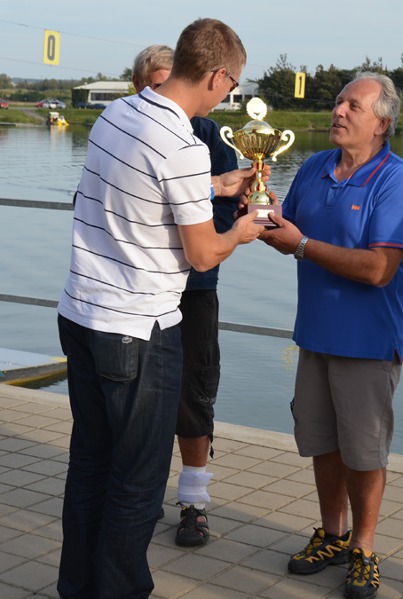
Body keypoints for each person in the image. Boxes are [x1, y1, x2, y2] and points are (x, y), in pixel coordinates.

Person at [56, 19, 264, 599]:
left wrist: (218, 186)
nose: (231, 94)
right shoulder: (182, 144)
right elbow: (202, 255)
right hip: (138, 331)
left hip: (80, 313)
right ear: (219, 74)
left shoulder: (118, 114)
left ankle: (78, 587)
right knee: (138, 481)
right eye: (233, 84)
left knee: (91, 465)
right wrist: (242, 230)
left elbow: (143, 190)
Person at [259, 72, 403, 599]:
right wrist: (256, 208)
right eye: (338, 101)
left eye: (354, 105)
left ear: (382, 122)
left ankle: (364, 549)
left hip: (368, 342)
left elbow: (380, 269)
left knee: (364, 451)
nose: (340, 111)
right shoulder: (313, 167)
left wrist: (302, 244)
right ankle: (332, 534)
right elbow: (286, 231)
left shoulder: (397, 181)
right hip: (314, 335)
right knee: (322, 444)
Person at [132, 44, 242, 548]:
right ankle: (140, 491)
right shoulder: (128, 130)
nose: (163, 93)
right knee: (136, 397)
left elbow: (231, 210)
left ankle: (194, 502)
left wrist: (206, 228)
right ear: (141, 88)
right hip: (139, 292)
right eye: (153, 85)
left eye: (167, 81)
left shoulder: (209, 136)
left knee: (194, 395)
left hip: (194, 290)